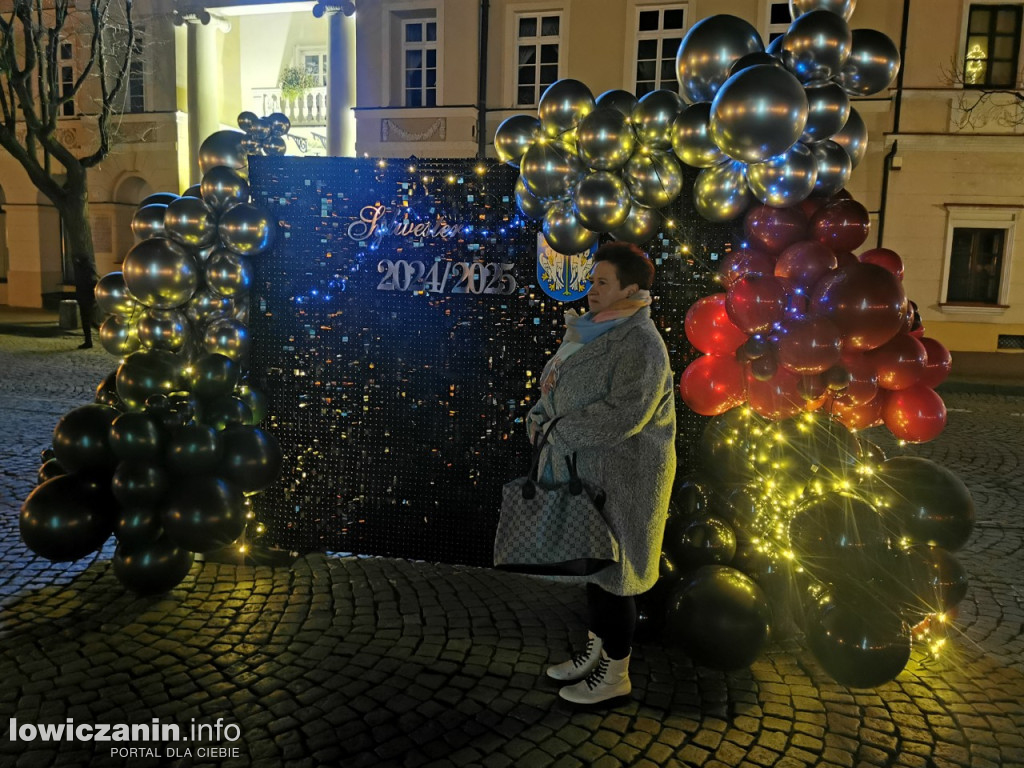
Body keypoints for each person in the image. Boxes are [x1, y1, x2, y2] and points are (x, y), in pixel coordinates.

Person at [525, 242, 676, 705]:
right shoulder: (590, 331)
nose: (590, 290)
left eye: (601, 282)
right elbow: (562, 385)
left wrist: (557, 430)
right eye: (593, 281)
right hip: (589, 472)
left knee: (616, 580)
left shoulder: (641, 342)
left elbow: (623, 414)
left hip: (625, 478)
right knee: (594, 571)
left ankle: (615, 674)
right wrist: (541, 417)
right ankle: (595, 654)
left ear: (631, 289)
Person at [72, 254, 97, 349]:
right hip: (87, 298)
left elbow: (82, 285)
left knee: (86, 320)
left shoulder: (83, 273)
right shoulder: (90, 272)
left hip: (85, 298)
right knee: (88, 320)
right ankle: (88, 340)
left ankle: (88, 341)